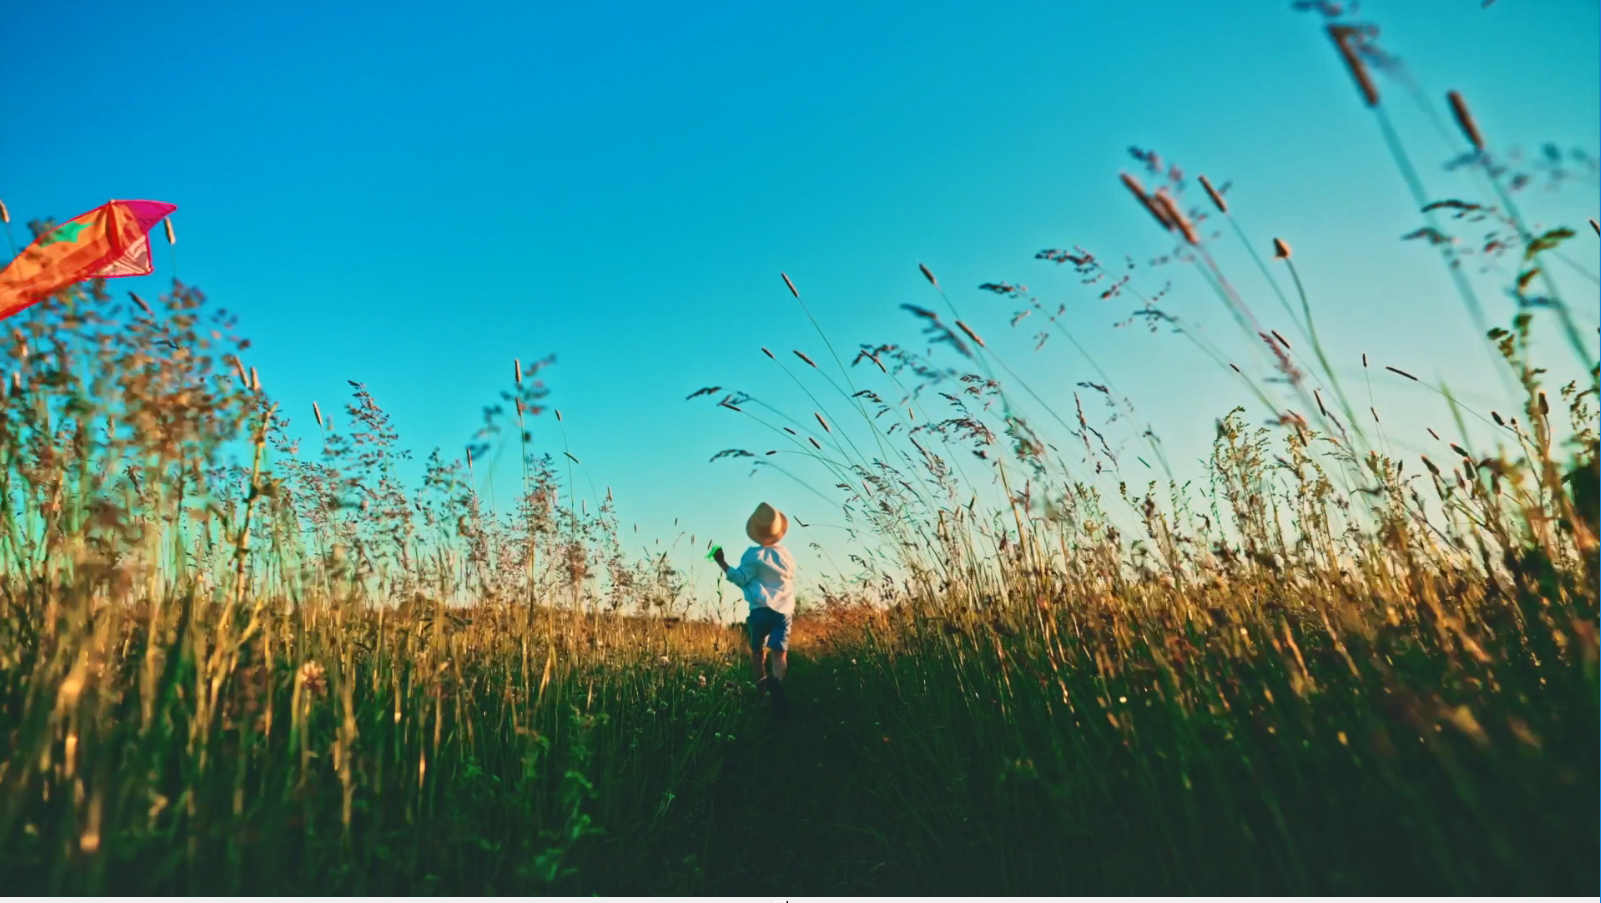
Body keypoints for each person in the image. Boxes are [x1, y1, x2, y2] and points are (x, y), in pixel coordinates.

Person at [714, 501, 796, 715]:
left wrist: (721, 562)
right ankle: (778, 688)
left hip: (760, 610)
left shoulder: (753, 555)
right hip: (784, 611)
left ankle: (763, 698)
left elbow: (740, 578)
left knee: (758, 654)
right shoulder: (787, 557)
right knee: (780, 654)